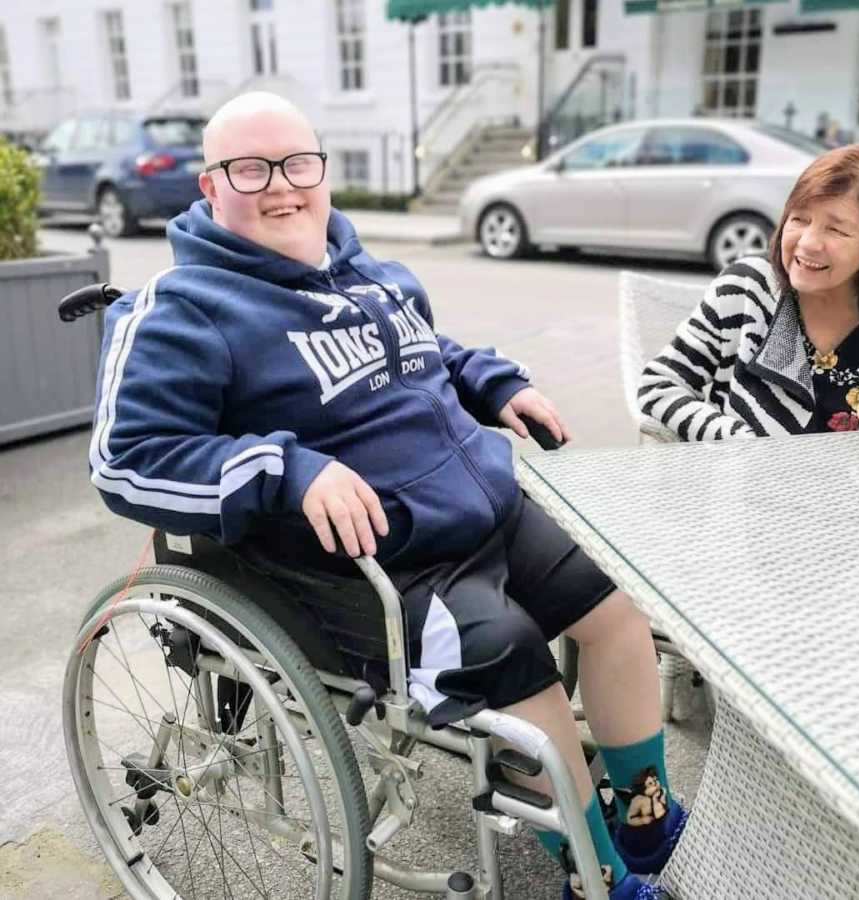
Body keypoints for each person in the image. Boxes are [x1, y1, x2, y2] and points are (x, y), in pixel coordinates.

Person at [89, 91, 685, 899]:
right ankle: (598, 875)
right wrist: (289, 468)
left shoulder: (369, 272)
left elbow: (421, 354)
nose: (282, 186)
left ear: (323, 170)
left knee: (619, 615)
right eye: (250, 169)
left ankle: (643, 811)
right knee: (524, 668)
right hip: (377, 566)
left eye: (298, 163)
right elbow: (128, 459)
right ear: (210, 187)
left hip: (485, 509)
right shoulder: (181, 310)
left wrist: (489, 380)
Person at [639, 143, 859, 441]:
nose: (807, 243)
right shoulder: (747, 288)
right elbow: (659, 385)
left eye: (836, 230)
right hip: (748, 484)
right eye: (799, 219)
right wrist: (740, 442)